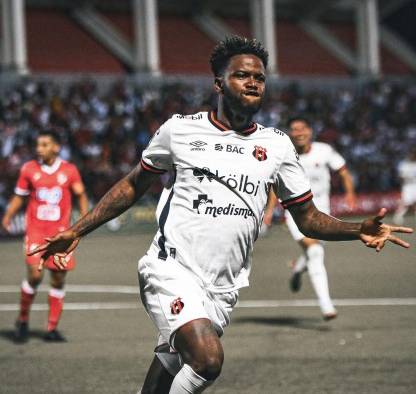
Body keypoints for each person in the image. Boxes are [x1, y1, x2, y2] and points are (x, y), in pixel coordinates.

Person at [29, 37, 412, 393]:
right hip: (171, 269)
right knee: (207, 360)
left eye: (259, 78)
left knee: (171, 358)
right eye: (242, 75)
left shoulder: (277, 147)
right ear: (219, 83)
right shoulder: (179, 131)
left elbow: (308, 218)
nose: (252, 83)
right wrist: (77, 229)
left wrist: (356, 229)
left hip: (224, 287)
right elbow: (134, 184)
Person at [263, 116, 357, 320]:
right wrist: (269, 211)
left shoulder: (325, 151)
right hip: (296, 212)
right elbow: (274, 186)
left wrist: (350, 192)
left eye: (302, 128)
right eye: (294, 129)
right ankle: (326, 306)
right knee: (315, 252)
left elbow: (343, 171)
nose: (298, 133)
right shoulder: (284, 155)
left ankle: (297, 268)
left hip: (323, 213)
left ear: (310, 131)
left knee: (315, 251)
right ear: (289, 134)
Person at [1, 130, 88, 342]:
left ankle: (51, 328)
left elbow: (80, 195)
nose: (40, 148)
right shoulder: (29, 169)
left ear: (56, 147)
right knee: (35, 275)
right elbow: (19, 197)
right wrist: (8, 216)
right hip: (36, 232)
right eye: (38, 145)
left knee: (58, 279)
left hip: (60, 235)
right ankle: (22, 321)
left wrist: (84, 223)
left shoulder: (69, 171)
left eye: (45, 144)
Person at [393, 147, 416, 225]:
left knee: (414, 202)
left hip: (415, 185)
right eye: (411, 154)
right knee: (405, 202)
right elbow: (400, 176)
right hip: (408, 186)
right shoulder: (404, 164)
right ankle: (398, 216)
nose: (413, 156)